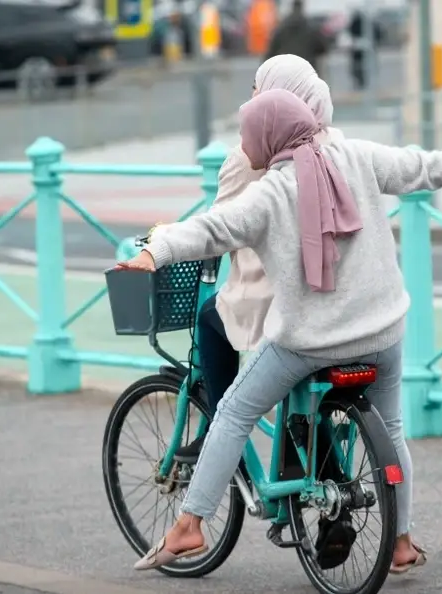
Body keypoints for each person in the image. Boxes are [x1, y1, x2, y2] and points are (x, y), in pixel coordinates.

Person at [119, 89, 442, 574]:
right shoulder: (357, 156)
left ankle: (189, 525)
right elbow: (428, 166)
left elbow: (211, 229)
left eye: (249, 135)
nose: (244, 145)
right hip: (384, 333)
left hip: (310, 344)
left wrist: (154, 251)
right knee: (391, 431)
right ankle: (401, 543)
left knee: (233, 411)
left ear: (270, 138)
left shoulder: (271, 192)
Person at [173, 54, 342, 464]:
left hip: (272, 295)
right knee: (302, 375)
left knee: (211, 318)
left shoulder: (250, 152)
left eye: (257, 85)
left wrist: (168, 243)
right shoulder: (335, 141)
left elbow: (220, 229)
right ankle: (327, 465)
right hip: (335, 290)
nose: (251, 94)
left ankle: (219, 427)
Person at [264, 0, 329, 72]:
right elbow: (323, 48)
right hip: (306, 69)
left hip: (285, 70)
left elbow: (270, 52)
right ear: (302, 8)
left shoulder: (281, 28)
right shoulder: (311, 28)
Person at [348, 9, 383, 90]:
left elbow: (350, 33)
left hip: (358, 51)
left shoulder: (355, 24)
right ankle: (365, 81)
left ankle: (361, 82)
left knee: (358, 67)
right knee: (366, 66)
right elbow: (379, 34)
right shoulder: (370, 24)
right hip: (367, 49)